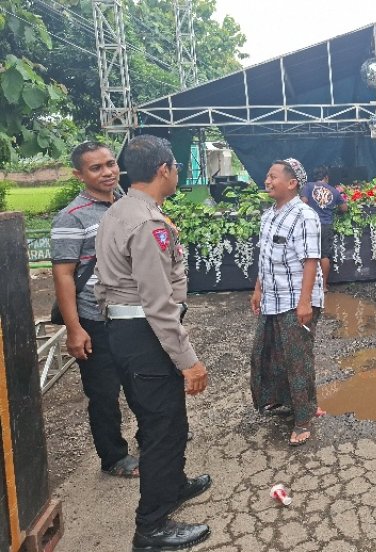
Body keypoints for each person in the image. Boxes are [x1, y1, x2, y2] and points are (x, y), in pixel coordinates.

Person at [95, 135, 210, 551]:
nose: (177, 173)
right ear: (164, 168)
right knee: (165, 428)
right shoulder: (146, 222)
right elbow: (158, 304)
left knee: (156, 418)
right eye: (176, 166)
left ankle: (172, 485)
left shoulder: (123, 209)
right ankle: (152, 527)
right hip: (145, 335)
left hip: (126, 334)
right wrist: (189, 361)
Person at [50, 141, 139, 478]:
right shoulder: (71, 217)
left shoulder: (125, 204)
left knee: (140, 381)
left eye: (110, 164)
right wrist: (75, 329)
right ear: (79, 174)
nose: (108, 172)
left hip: (130, 314)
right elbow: (63, 274)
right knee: (103, 393)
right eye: (96, 168)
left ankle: (149, 437)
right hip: (95, 319)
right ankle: (114, 457)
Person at [250, 157, 325, 446]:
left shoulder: (305, 216)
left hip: (296, 300)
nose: (267, 181)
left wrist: (305, 302)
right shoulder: (268, 215)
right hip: (272, 298)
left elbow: (310, 261)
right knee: (269, 353)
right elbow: (264, 257)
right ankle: (284, 401)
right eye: (267, 176)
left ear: (292, 183)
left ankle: (303, 418)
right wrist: (258, 289)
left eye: (273, 177)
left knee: (297, 360)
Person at [301, 166, 348, 290]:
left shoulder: (308, 187)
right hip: (326, 225)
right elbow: (344, 208)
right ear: (326, 177)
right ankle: (323, 286)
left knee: (308, 255)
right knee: (324, 255)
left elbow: (303, 202)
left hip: (310, 225)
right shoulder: (333, 190)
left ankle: (307, 286)